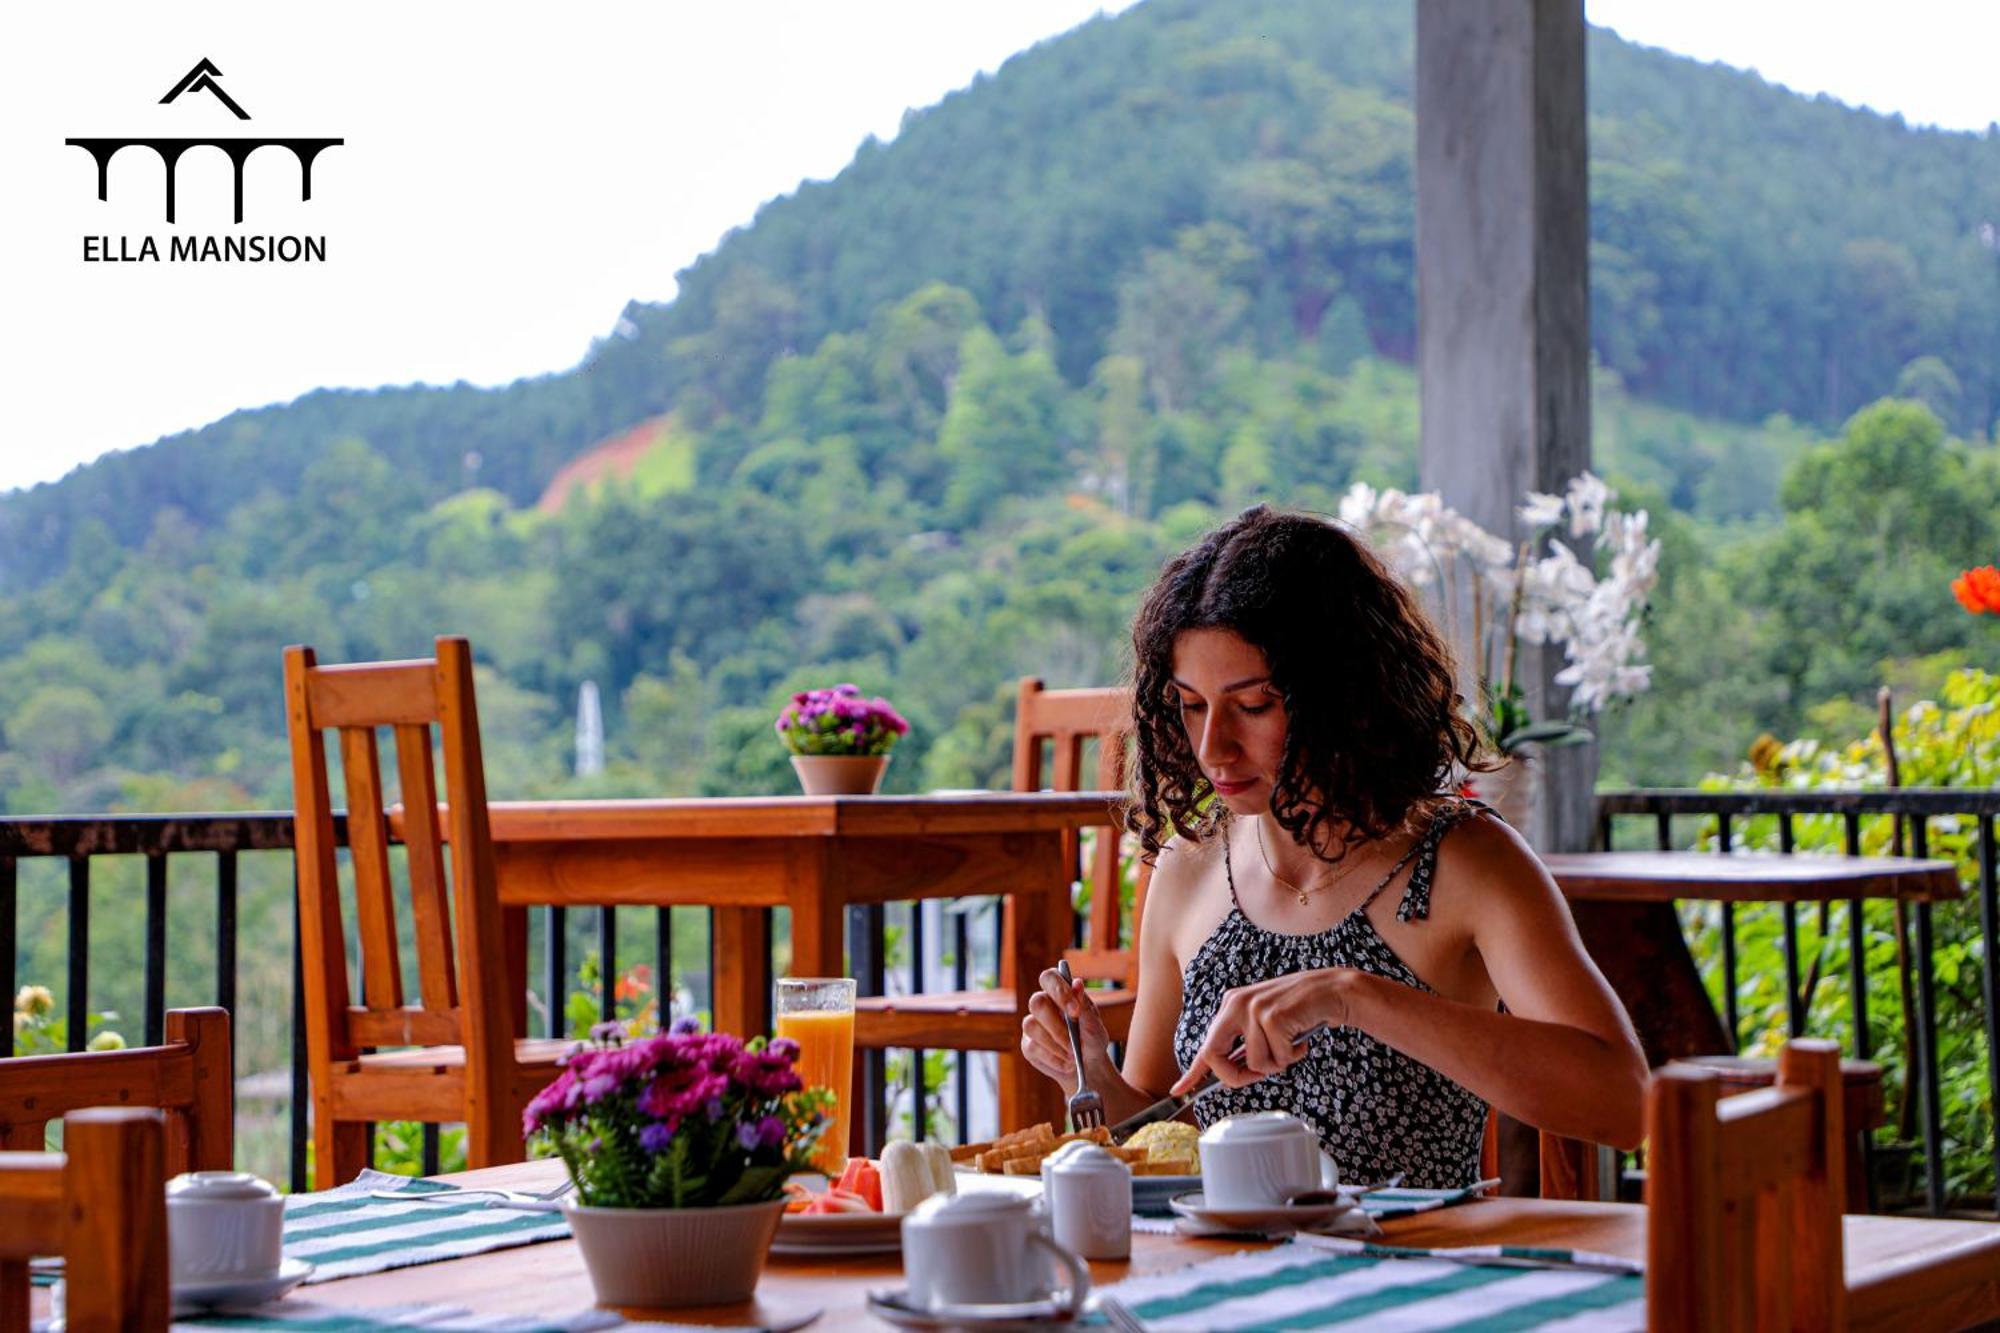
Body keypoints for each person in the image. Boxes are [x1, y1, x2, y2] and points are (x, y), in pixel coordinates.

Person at [1019, 505, 1647, 1188]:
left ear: (1342, 695)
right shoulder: (1189, 866)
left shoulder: (1463, 861)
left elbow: (1624, 1101)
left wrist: (1355, 995)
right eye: (1192, 704)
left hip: (1412, 1274)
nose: (1212, 747)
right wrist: (1091, 1072)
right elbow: (1159, 1134)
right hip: (1230, 1280)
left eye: (1253, 705)